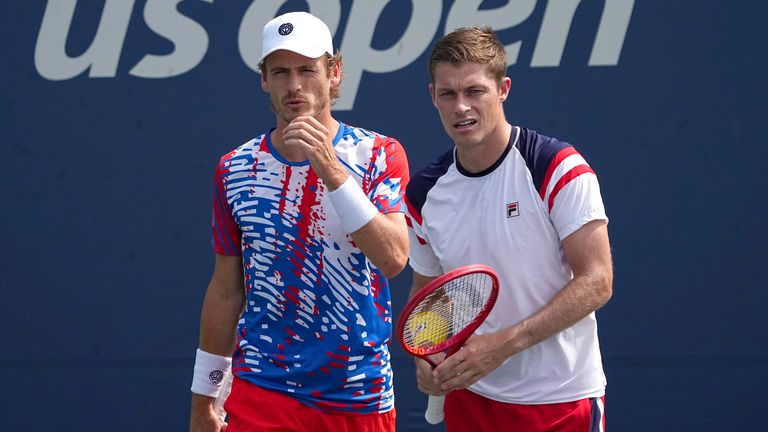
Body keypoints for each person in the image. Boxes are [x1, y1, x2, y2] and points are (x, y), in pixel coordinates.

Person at [188, 11, 410, 432]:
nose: (294, 86)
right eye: (281, 72)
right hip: (262, 389)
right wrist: (204, 402)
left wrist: (330, 167)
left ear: (334, 73)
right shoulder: (234, 169)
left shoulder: (379, 153)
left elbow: (394, 258)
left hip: (358, 394)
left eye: (308, 70)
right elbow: (224, 291)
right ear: (264, 80)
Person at [403, 26, 613, 431]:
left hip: (562, 402)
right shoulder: (424, 192)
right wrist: (425, 354)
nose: (461, 107)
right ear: (433, 97)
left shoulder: (555, 166)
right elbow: (427, 291)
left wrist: (505, 345)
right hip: (473, 400)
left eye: (475, 91)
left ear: (503, 89)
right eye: (448, 94)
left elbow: (598, 280)